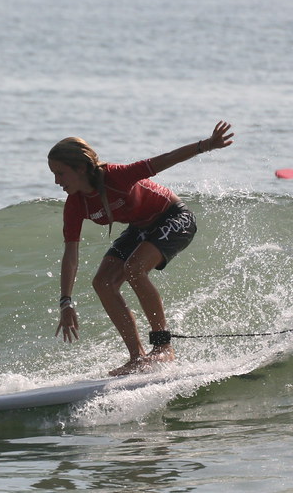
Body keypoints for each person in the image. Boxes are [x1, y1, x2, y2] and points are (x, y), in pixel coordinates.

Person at [48, 121, 234, 376]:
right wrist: (65, 302)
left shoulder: (116, 176)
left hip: (174, 217)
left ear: (80, 168)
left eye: (60, 173)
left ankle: (163, 347)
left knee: (134, 268)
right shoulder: (75, 204)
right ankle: (137, 357)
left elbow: (165, 160)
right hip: (140, 228)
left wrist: (206, 145)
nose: (56, 181)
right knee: (102, 282)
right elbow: (71, 254)